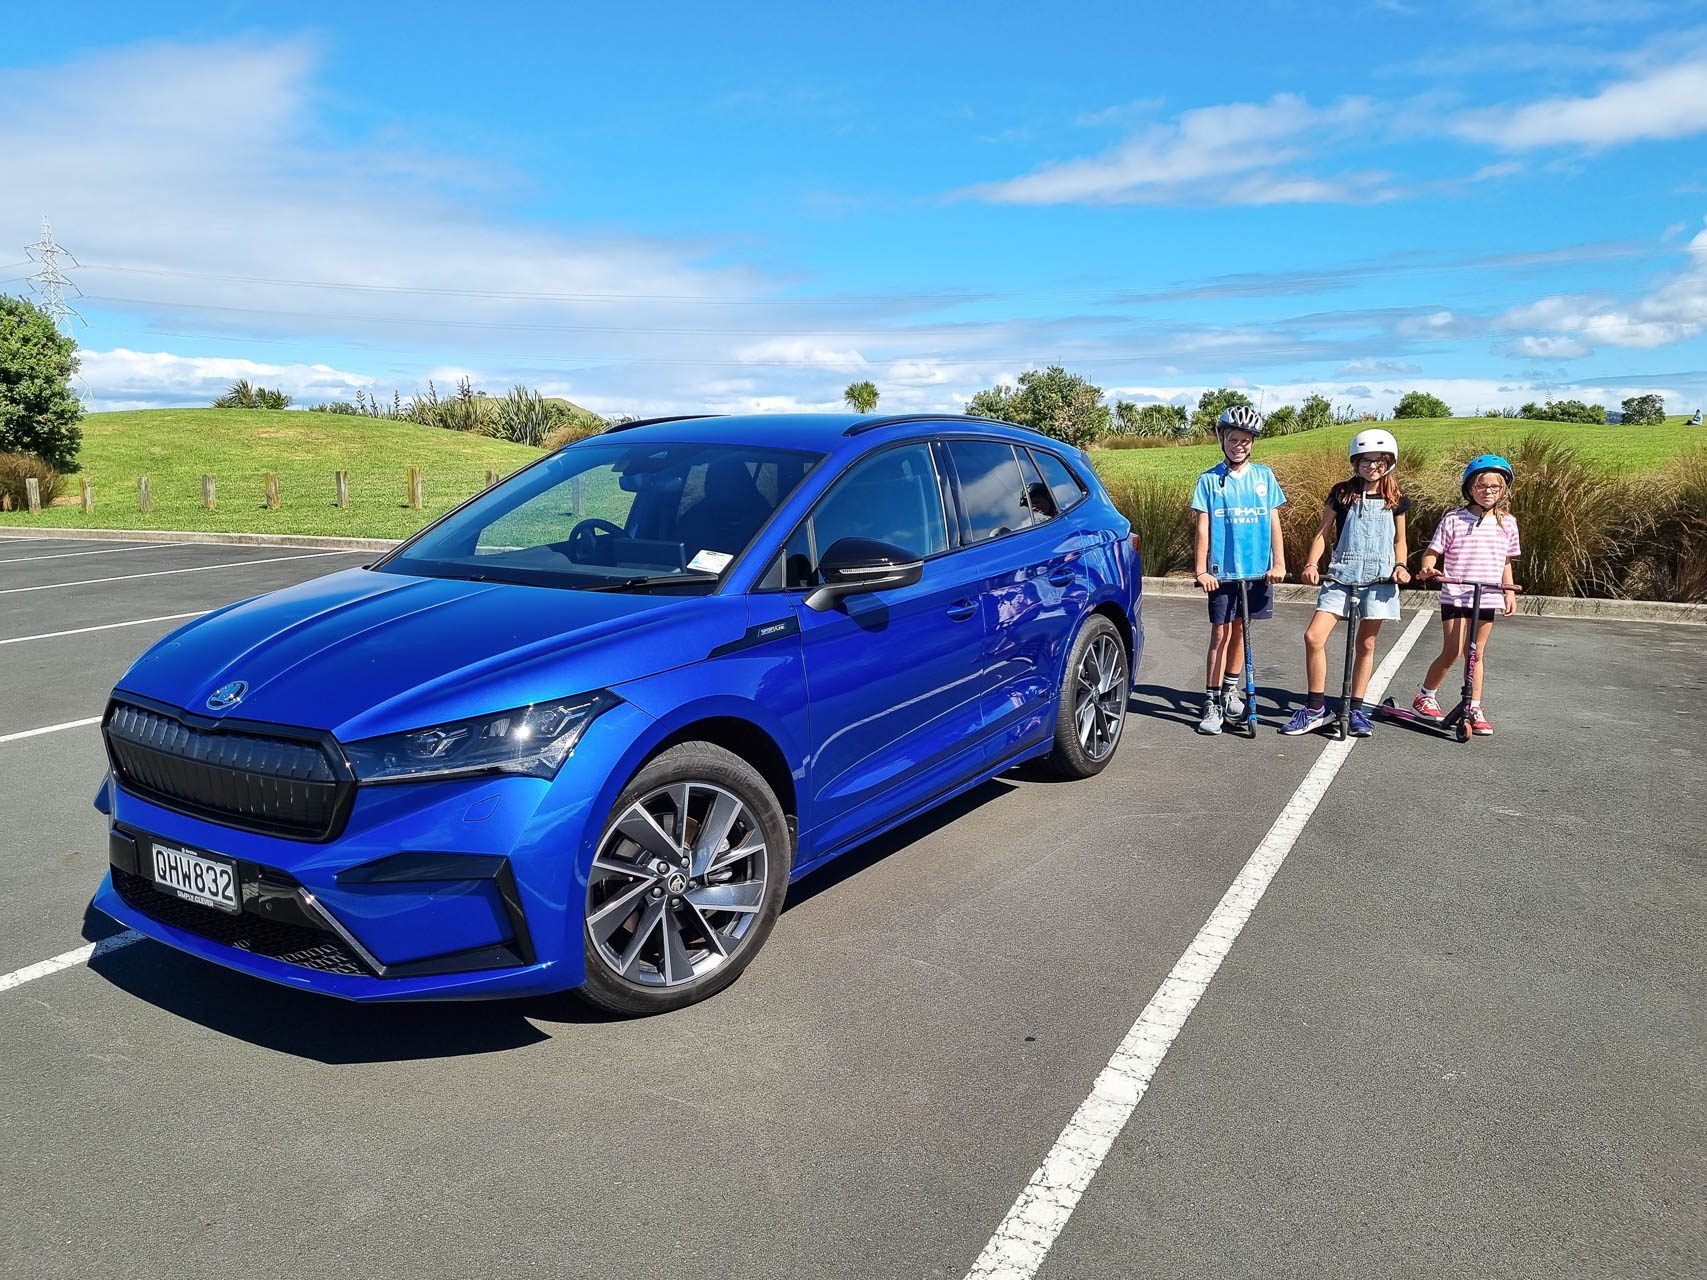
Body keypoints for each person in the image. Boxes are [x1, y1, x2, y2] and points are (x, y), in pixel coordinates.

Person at [1282, 428, 1412, 737]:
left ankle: (1356, 709)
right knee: (1314, 636)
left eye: (1379, 461)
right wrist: (1312, 563)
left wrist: (1402, 567)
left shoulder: (1396, 500)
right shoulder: (1342, 492)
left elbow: (1400, 542)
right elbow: (1321, 533)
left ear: (1390, 462)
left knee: (1366, 644)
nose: (1372, 467)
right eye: (1365, 461)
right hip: (1342, 576)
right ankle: (1315, 708)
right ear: (1355, 463)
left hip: (1379, 579)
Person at [1191, 404, 1286, 734]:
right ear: (1223, 438)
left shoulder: (1264, 477)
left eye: (1246, 440)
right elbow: (1203, 527)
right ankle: (1212, 700)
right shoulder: (1209, 480)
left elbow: (1274, 522)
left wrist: (1279, 563)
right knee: (1220, 633)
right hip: (1221, 573)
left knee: (1242, 631)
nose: (1239, 445)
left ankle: (1231, 691)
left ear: (1253, 443)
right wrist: (1201, 569)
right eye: (1234, 439)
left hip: (1257, 571)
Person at [1412, 454, 1520, 736]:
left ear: (1504, 490)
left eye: (1495, 488)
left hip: (1488, 596)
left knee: (1477, 653)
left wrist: (1509, 592)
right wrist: (1428, 568)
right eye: (1482, 486)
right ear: (1470, 488)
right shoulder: (1454, 520)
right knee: (1453, 651)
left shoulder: (1507, 522)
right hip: (1457, 595)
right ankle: (1425, 695)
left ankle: (1473, 705)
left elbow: (1506, 560)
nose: (1488, 492)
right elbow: (1433, 553)